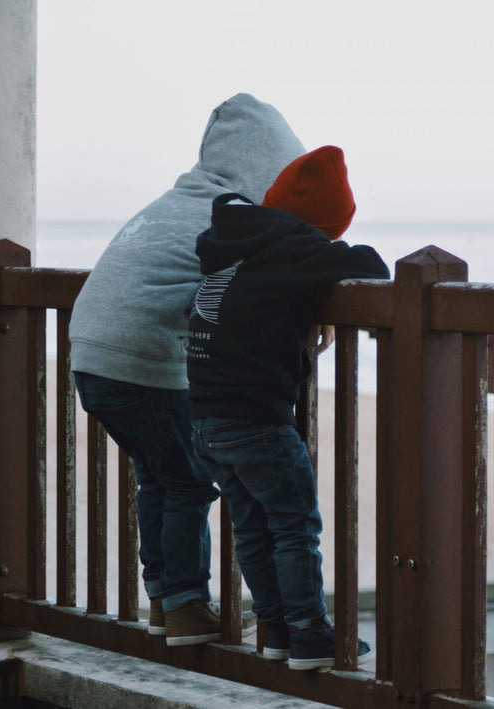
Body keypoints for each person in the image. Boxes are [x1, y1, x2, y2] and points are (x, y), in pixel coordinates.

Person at [69, 94, 306, 646]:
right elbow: (263, 291)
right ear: (271, 166)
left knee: (161, 478)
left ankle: (167, 602)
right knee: (191, 481)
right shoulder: (235, 218)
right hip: (140, 361)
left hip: (92, 357)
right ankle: (184, 607)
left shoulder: (175, 201)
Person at [187, 146, 389, 669]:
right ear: (324, 226)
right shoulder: (294, 246)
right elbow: (370, 265)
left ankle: (277, 629)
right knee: (296, 527)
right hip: (257, 418)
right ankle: (310, 634)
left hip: (205, 417)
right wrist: (322, 255)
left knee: (253, 526)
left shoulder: (231, 244)